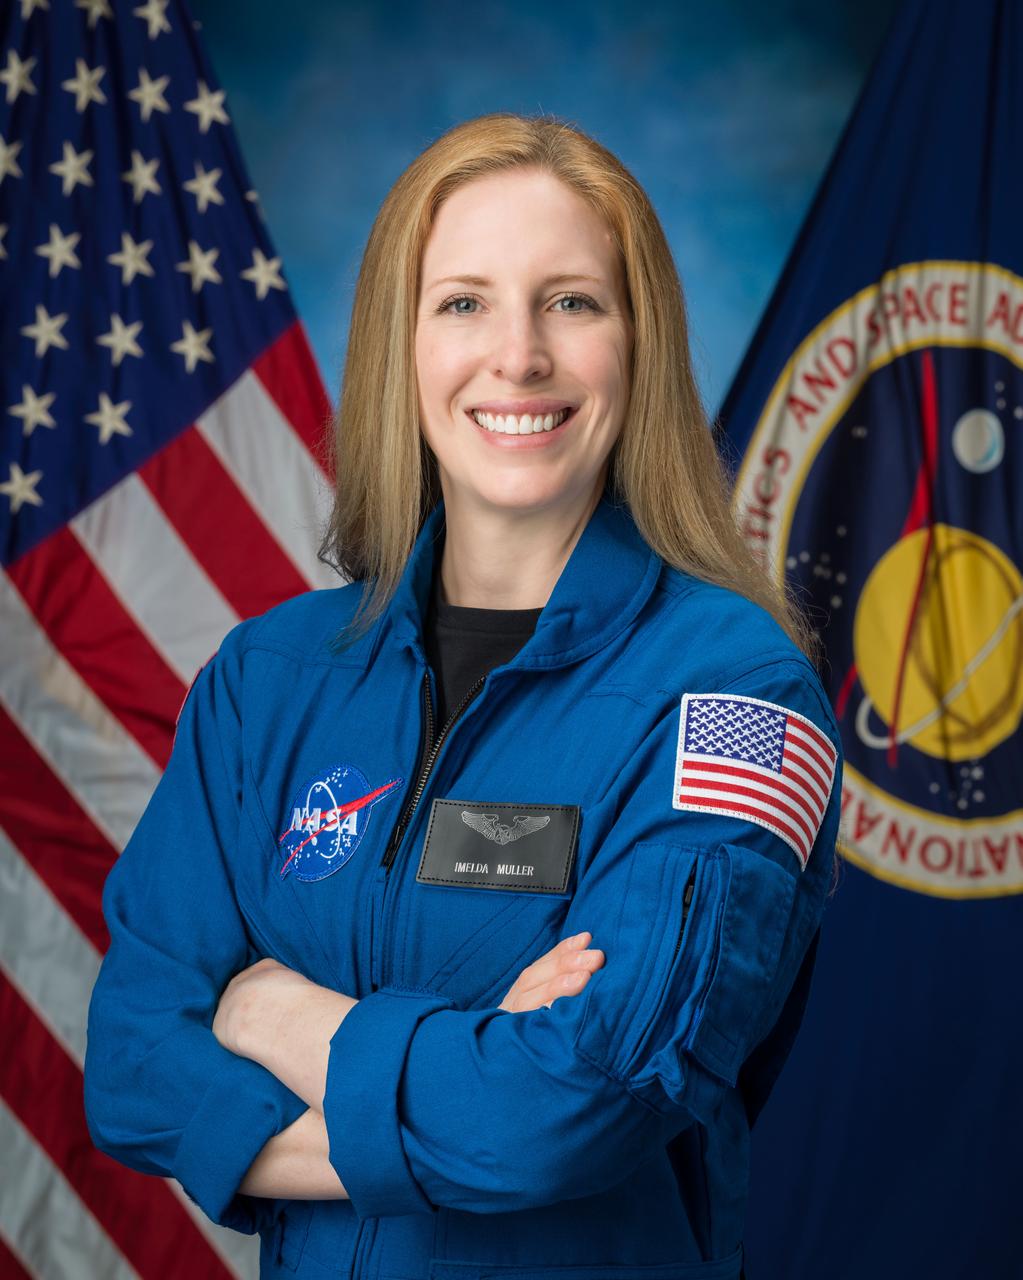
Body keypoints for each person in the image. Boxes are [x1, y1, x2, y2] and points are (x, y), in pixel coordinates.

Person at [84, 112, 842, 1280]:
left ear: (640, 346)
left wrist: (277, 1014)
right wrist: (478, 1067)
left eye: (573, 302)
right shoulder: (265, 683)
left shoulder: (740, 699)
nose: (519, 356)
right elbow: (134, 1065)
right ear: (405, 344)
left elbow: (569, 1113)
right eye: (464, 302)